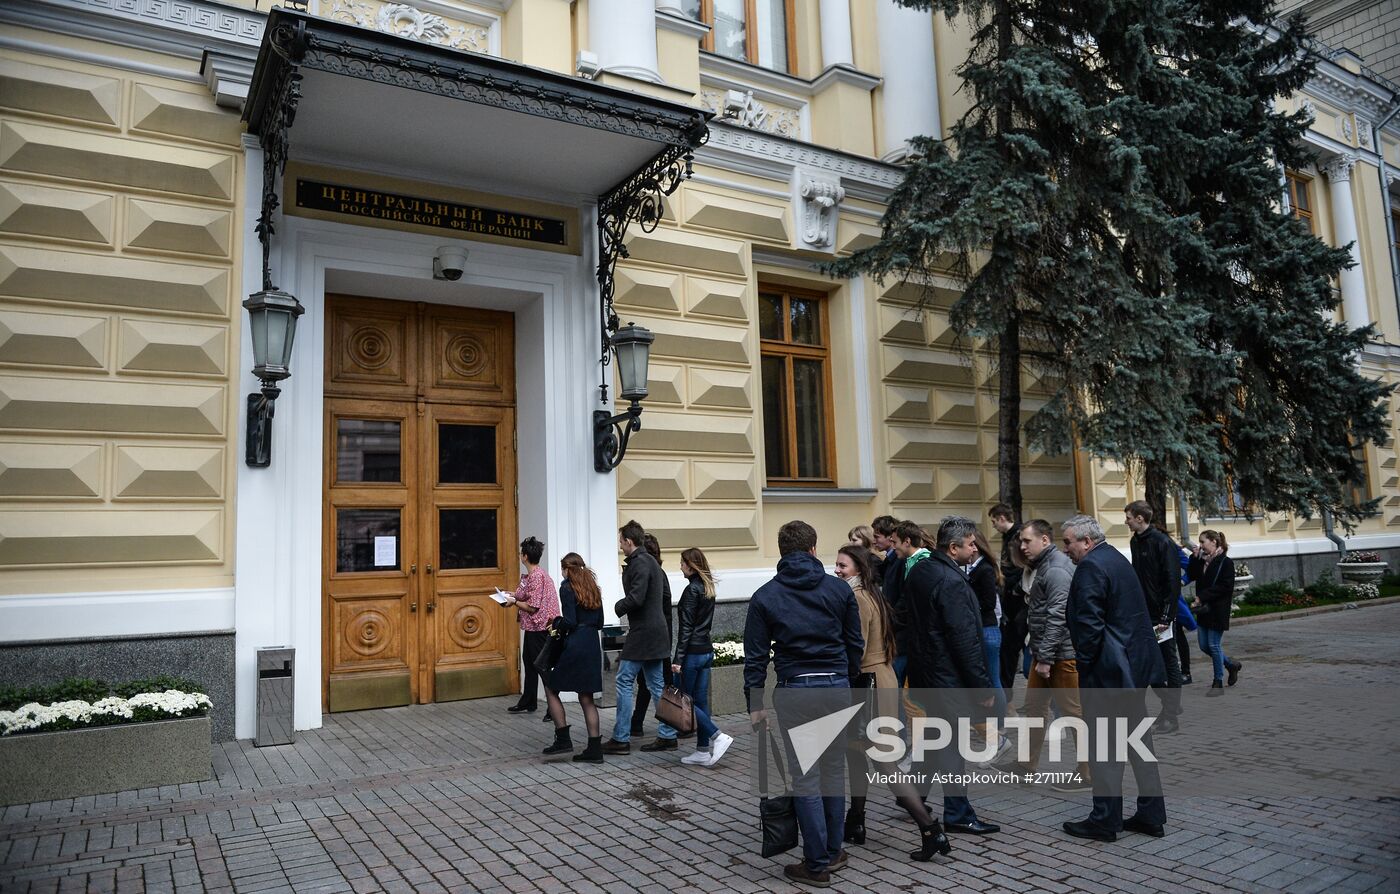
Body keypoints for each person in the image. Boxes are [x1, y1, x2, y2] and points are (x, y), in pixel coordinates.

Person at [745, 520, 863, 887]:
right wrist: (847, 679)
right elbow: (854, 643)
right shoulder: (838, 589)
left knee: (807, 778)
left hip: (796, 688)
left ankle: (816, 864)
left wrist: (755, 703)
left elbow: (756, 657)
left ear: (783, 551)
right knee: (831, 771)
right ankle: (831, 850)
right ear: (813, 549)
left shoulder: (765, 596)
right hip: (836, 686)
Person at [834, 545, 951, 862]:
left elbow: (854, 650)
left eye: (842, 565)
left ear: (858, 568)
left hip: (867, 682)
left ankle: (930, 828)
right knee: (857, 753)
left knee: (884, 762)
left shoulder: (857, 598)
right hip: (880, 677)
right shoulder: (875, 594)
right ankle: (855, 821)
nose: (837, 570)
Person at [1061, 515, 1167, 842]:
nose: (1065, 549)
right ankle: (1151, 814)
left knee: (1106, 748)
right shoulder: (1115, 557)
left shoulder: (1091, 566)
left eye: (1068, 542)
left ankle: (1105, 819)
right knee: (1138, 743)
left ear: (1086, 541)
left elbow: (1089, 625)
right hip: (1132, 668)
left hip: (1110, 673)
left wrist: (1087, 665)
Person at [903, 517, 1001, 837]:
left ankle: (913, 797)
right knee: (952, 746)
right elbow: (963, 638)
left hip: (928, 673)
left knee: (934, 738)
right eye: (970, 543)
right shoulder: (949, 580)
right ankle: (958, 813)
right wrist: (981, 686)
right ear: (953, 547)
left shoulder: (922, 570)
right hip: (947, 678)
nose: (975, 547)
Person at [995, 520, 1092, 788]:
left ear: (1045, 540)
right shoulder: (1043, 567)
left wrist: (1046, 658)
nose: (1022, 546)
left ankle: (1089, 773)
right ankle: (1026, 765)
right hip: (1044, 651)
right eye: (1021, 542)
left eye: (1027, 541)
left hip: (1061, 655)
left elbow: (1058, 617)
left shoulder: (1057, 570)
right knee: (1035, 709)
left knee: (1073, 714)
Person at [603, 521, 678, 754]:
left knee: (624, 680)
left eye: (621, 541)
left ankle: (621, 738)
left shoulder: (641, 563)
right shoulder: (650, 562)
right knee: (656, 684)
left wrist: (617, 606)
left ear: (629, 541)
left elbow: (636, 598)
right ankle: (668, 734)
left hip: (644, 633)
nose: (620, 546)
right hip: (654, 632)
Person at [671, 548, 734, 766]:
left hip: (693, 654)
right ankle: (701, 751)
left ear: (691, 565)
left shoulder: (691, 591)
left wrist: (677, 659)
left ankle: (717, 736)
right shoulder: (707, 587)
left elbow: (686, 628)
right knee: (700, 702)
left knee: (686, 702)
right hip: (706, 651)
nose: (680, 566)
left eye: (682, 563)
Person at [1125, 501, 1184, 732]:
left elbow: (1171, 581)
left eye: (1129, 517)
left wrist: (1167, 615)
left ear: (1140, 518)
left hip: (1162, 616)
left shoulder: (1162, 542)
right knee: (1150, 664)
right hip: (1143, 614)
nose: (1126, 521)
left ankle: (1171, 715)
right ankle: (1170, 706)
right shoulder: (1135, 542)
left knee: (1168, 662)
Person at [541, 553, 605, 763]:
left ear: (568, 569)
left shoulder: (567, 587)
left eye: (562, 569)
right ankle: (594, 748)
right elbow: (600, 622)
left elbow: (570, 620)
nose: (562, 573)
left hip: (576, 643)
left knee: (551, 686)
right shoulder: (593, 587)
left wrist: (556, 622)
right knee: (586, 698)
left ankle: (562, 738)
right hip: (592, 643)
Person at [967, 527, 1012, 765]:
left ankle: (1000, 728)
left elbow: (985, 603)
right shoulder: (976, 568)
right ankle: (994, 727)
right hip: (986, 629)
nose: (969, 547)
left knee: (993, 680)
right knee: (990, 680)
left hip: (987, 630)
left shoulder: (983, 569)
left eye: (972, 543)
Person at [508, 536, 560, 714]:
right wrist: (510, 596)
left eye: (521, 553)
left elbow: (532, 606)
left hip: (539, 627)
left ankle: (553, 707)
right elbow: (524, 595)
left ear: (525, 556)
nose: (519, 555)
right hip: (533, 627)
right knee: (529, 663)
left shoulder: (537, 576)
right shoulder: (534, 575)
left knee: (540, 666)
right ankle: (529, 701)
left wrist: (513, 601)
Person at [631, 533, 675, 738]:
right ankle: (637, 723)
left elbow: (664, 613)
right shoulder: (657, 573)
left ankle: (673, 723)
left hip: (657, 638)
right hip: (657, 637)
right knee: (649, 682)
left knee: (658, 684)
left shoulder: (656, 575)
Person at [1186, 530, 1240, 695]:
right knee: (1204, 646)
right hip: (1204, 611)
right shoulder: (1202, 561)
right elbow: (1192, 574)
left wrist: (1202, 596)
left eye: (1203, 542)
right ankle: (1231, 665)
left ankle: (1218, 682)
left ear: (1214, 542)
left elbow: (1225, 587)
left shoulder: (1225, 562)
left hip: (1217, 610)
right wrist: (1194, 557)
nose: (1200, 545)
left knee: (1214, 645)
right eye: (1200, 542)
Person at [989, 504, 1028, 699]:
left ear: (1002, 518)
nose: (994, 525)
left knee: (1012, 650)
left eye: (994, 521)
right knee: (1010, 651)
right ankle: (1007, 697)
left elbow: (1020, 569)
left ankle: (1007, 698)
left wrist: (1012, 589)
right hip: (1012, 600)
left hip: (1018, 602)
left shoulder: (1019, 536)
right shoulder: (1009, 536)